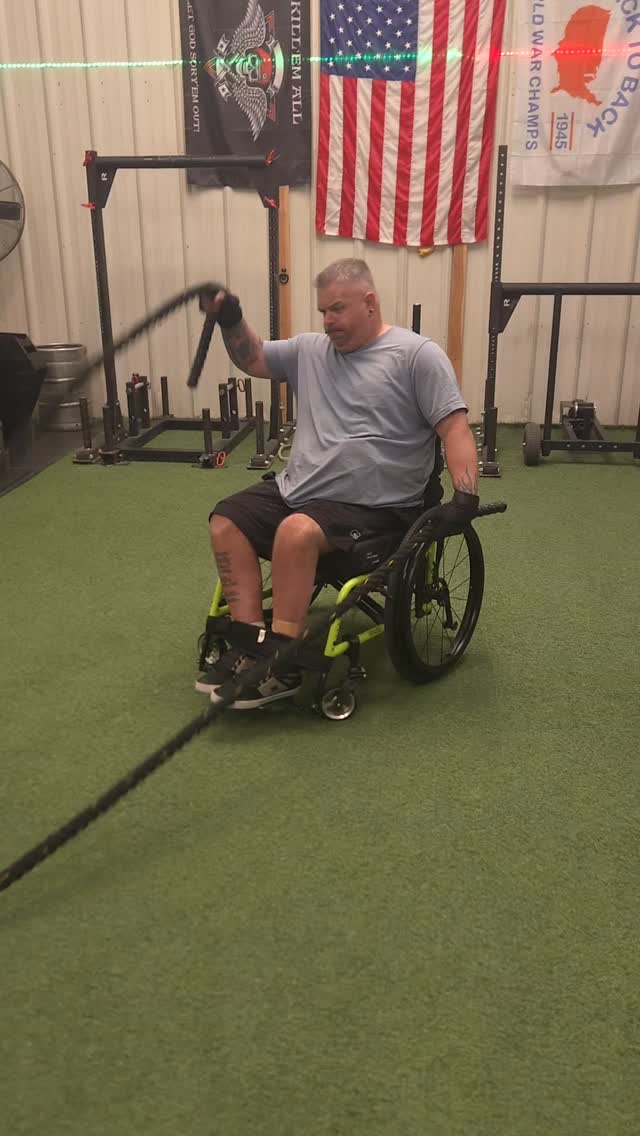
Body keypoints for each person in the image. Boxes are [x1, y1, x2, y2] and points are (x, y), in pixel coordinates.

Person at [197, 258, 479, 710]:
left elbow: (455, 428)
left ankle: (283, 661)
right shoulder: (309, 350)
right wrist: (231, 318)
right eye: (323, 311)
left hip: (378, 508)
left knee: (297, 531)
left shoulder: (416, 355)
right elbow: (251, 357)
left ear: (369, 303)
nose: (328, 322)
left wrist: (465, 497)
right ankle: (249, 643)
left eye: (337, 310)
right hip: (299, 490)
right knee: (226, 520)